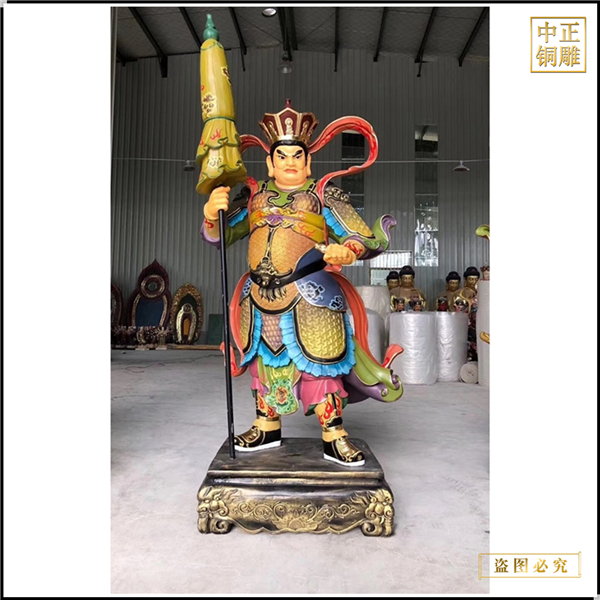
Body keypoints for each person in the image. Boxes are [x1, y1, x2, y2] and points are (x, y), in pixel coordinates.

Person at [201, 101, 403, 466]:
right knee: (263, 362)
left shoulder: (323, 194)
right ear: (270, 163)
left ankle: (334, 434)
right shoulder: (254, 196)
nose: (290, 162)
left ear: (308, 162)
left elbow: (362, 237)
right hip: (258, 295)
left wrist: (347, 250)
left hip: (311, 295)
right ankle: (266, 426)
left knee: (320, 365)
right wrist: (212, 214)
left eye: (297, 156)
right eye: (282, 156)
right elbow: (223, 236)